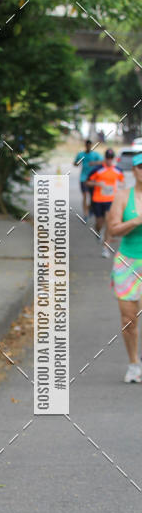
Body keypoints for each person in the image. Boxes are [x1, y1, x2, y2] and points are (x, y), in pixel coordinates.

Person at [107, 152, 142, 382]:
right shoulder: (123, 196)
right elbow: (113, 230)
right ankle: (133, 363)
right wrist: (136, 220)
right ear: (134, 170)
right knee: (128, 320)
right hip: (128, 261)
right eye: (141, 166)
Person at [86, 148, 125, 257]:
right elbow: (87, 182)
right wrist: (98, 184)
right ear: (105, 158)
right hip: (98, 200)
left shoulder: (118, 170)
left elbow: (123, 182)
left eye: (111, 158)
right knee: (99, 222)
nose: (109, 160)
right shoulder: (97, 170)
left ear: (113, 159)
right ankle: (98, 232)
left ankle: (105, 248)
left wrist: (120, 187)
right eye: (107, 158)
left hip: (111, 200)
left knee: (109, 222)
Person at [73, 139, 101, 217]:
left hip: (92, 178)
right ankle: (85, 213)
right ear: (85, 145)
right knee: (85, 195)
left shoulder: (95, 154)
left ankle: (90, 209)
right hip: (83, 178)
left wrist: (94, 163)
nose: (88, 147)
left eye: (89, 145)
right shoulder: (81, 154)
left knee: (92, 197)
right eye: (87, 145)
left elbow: (102, 162)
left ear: (91, 146)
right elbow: (75, 164)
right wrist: (77, 163)